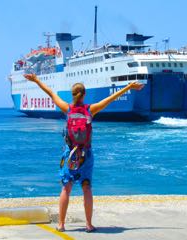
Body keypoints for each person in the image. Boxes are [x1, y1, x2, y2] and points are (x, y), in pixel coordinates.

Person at [23, 73, 144, 232]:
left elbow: (51, 93)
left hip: (70, 154)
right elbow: (111, 99)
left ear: (72, 95)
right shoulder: (91, 109)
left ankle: (61, 224)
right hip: (86, 155)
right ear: (84, 94)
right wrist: (129, 87)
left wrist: (37, 80)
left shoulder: (67, 109)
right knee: (86, 187)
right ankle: (88, 224)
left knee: (66, 188)